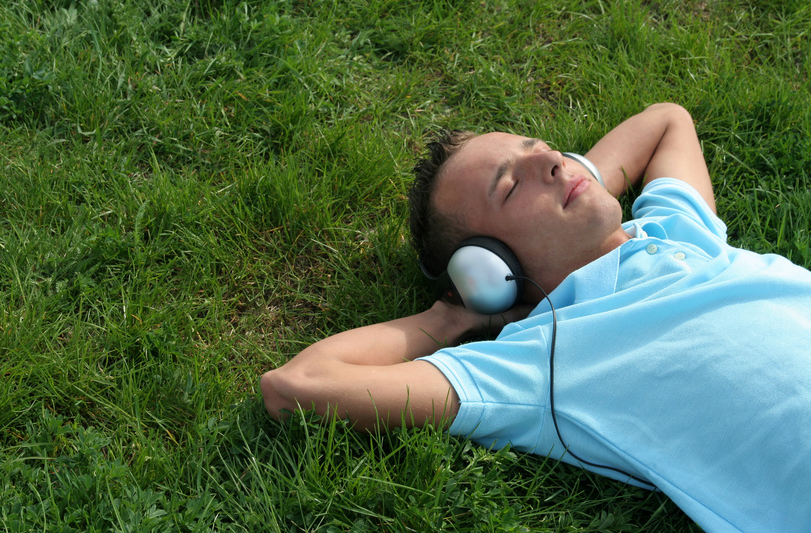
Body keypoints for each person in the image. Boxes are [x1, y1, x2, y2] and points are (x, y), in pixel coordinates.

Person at [260, 103, 811, 533]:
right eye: (512, 185)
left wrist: (575, 184)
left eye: (544, 150)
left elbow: (668, 120)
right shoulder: (545, 357)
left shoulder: (679, 229)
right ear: (487, 268)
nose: (553, 162)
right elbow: (295, 386)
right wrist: (449, 320)